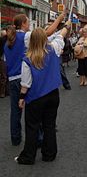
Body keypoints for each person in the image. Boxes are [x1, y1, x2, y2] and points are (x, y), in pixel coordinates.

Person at [4, 12, 65, 146]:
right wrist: (59, 19)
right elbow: (46, 34)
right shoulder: (25, 36)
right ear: (24, 24)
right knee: (33, 111)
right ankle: (37, 139)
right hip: (25, 76)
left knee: (15, 111)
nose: (29, 24)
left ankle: (15, 138)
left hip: (12, 78)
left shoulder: (8, 40)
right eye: (28, 21)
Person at [14, 20, 71, 165]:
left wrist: (21, 98)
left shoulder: (27, 59)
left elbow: (26, 84)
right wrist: (66, 26)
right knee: (49, 125)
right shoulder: (54, 49)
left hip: (36, 97)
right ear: (45, 38)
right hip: (53, 95)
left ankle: (28, 156)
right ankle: (49, 154)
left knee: (32, 127)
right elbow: (60, 36)